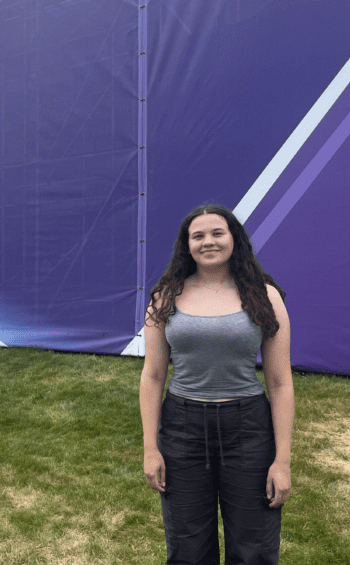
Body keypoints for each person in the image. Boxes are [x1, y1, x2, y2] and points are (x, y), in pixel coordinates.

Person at [139, 204, 294, 564]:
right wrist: (150, 448)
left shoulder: (264, 295)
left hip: (249, 430)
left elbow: (280, 382)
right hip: (182, 429)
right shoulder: (165, 296)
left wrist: (282, 461)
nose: (208, 241)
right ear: (187, 245)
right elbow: (153, 376)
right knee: (188, 546)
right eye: (198, 236)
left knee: (253, 547)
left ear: (234, 240)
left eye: (217, 233)